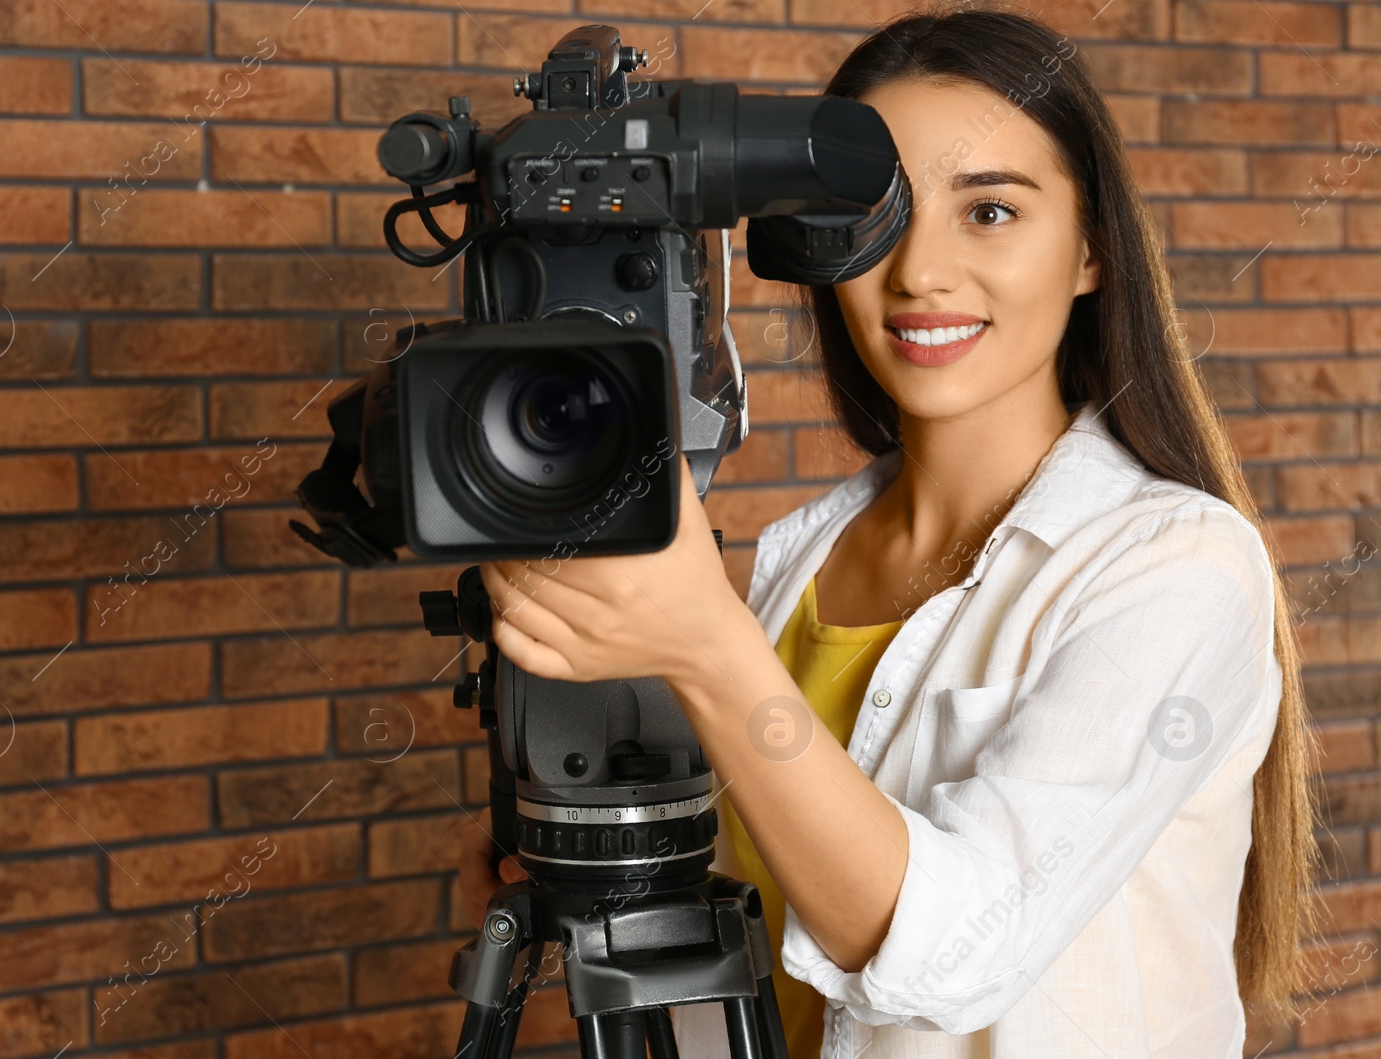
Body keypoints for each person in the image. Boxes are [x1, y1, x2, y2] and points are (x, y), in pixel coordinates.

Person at [458, 4, 1317, 1056]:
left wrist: (705, 648)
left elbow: (956, 950)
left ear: (1090, 250)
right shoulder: (793, 562)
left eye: (990, 211)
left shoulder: (1176, 567)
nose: (918, 273)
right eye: (877, 213)